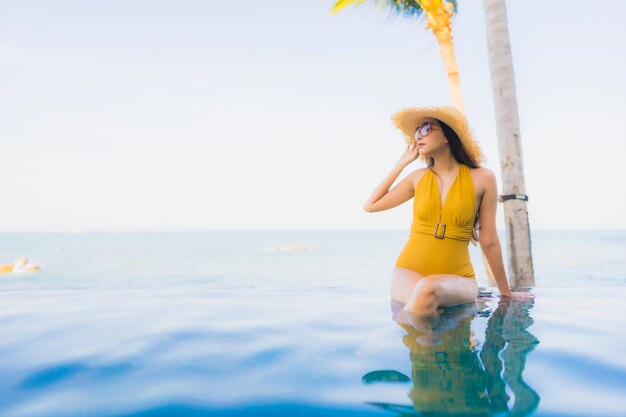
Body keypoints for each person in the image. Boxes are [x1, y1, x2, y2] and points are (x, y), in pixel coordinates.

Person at [363, 106, 533, 314]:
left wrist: (505, 293)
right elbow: (370, 206)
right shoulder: (417, 177)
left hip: (458, 277)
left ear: (447, 135)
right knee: (427, 304)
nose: (418, 136)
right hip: (408, 271)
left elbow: (488, 239)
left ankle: (384, 341)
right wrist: (401, 164)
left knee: (427, 291)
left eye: (426, 128)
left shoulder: (483, 178)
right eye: (416, 132)